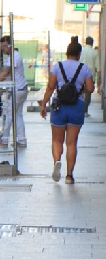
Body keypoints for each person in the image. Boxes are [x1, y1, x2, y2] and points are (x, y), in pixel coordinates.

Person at [39, 36, 94, 185]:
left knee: (57, 140)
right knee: (71, 143)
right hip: (76, 107)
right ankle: (69, 176)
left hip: (59, 106)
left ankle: (57, 161)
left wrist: (44, 105)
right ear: (79, 54)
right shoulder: (84, 68)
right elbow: (90, 88)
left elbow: (50, 87)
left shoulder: (57, 67)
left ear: (66, 53)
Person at [0, 35, 29, 147]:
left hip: (16, 90)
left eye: (4, 46)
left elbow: (5, 73)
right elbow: (3, 71)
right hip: (21, 89)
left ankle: (4, 140)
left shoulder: (13, 57)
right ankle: (21, 140)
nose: (2, 49)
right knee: (17, 115)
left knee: (8, 115)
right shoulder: (12, 56)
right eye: (1, 46)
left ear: (9, 45)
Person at [79, 36, 101, 116]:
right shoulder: (95, 52)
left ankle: (80, 109)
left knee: (80, 93)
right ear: (92, 43)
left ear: (86, 42)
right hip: (90, 76)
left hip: (80, 75)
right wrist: (99, 78)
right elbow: (98, 66)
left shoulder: (81, 51)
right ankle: (85, 111)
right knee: (88, 94)